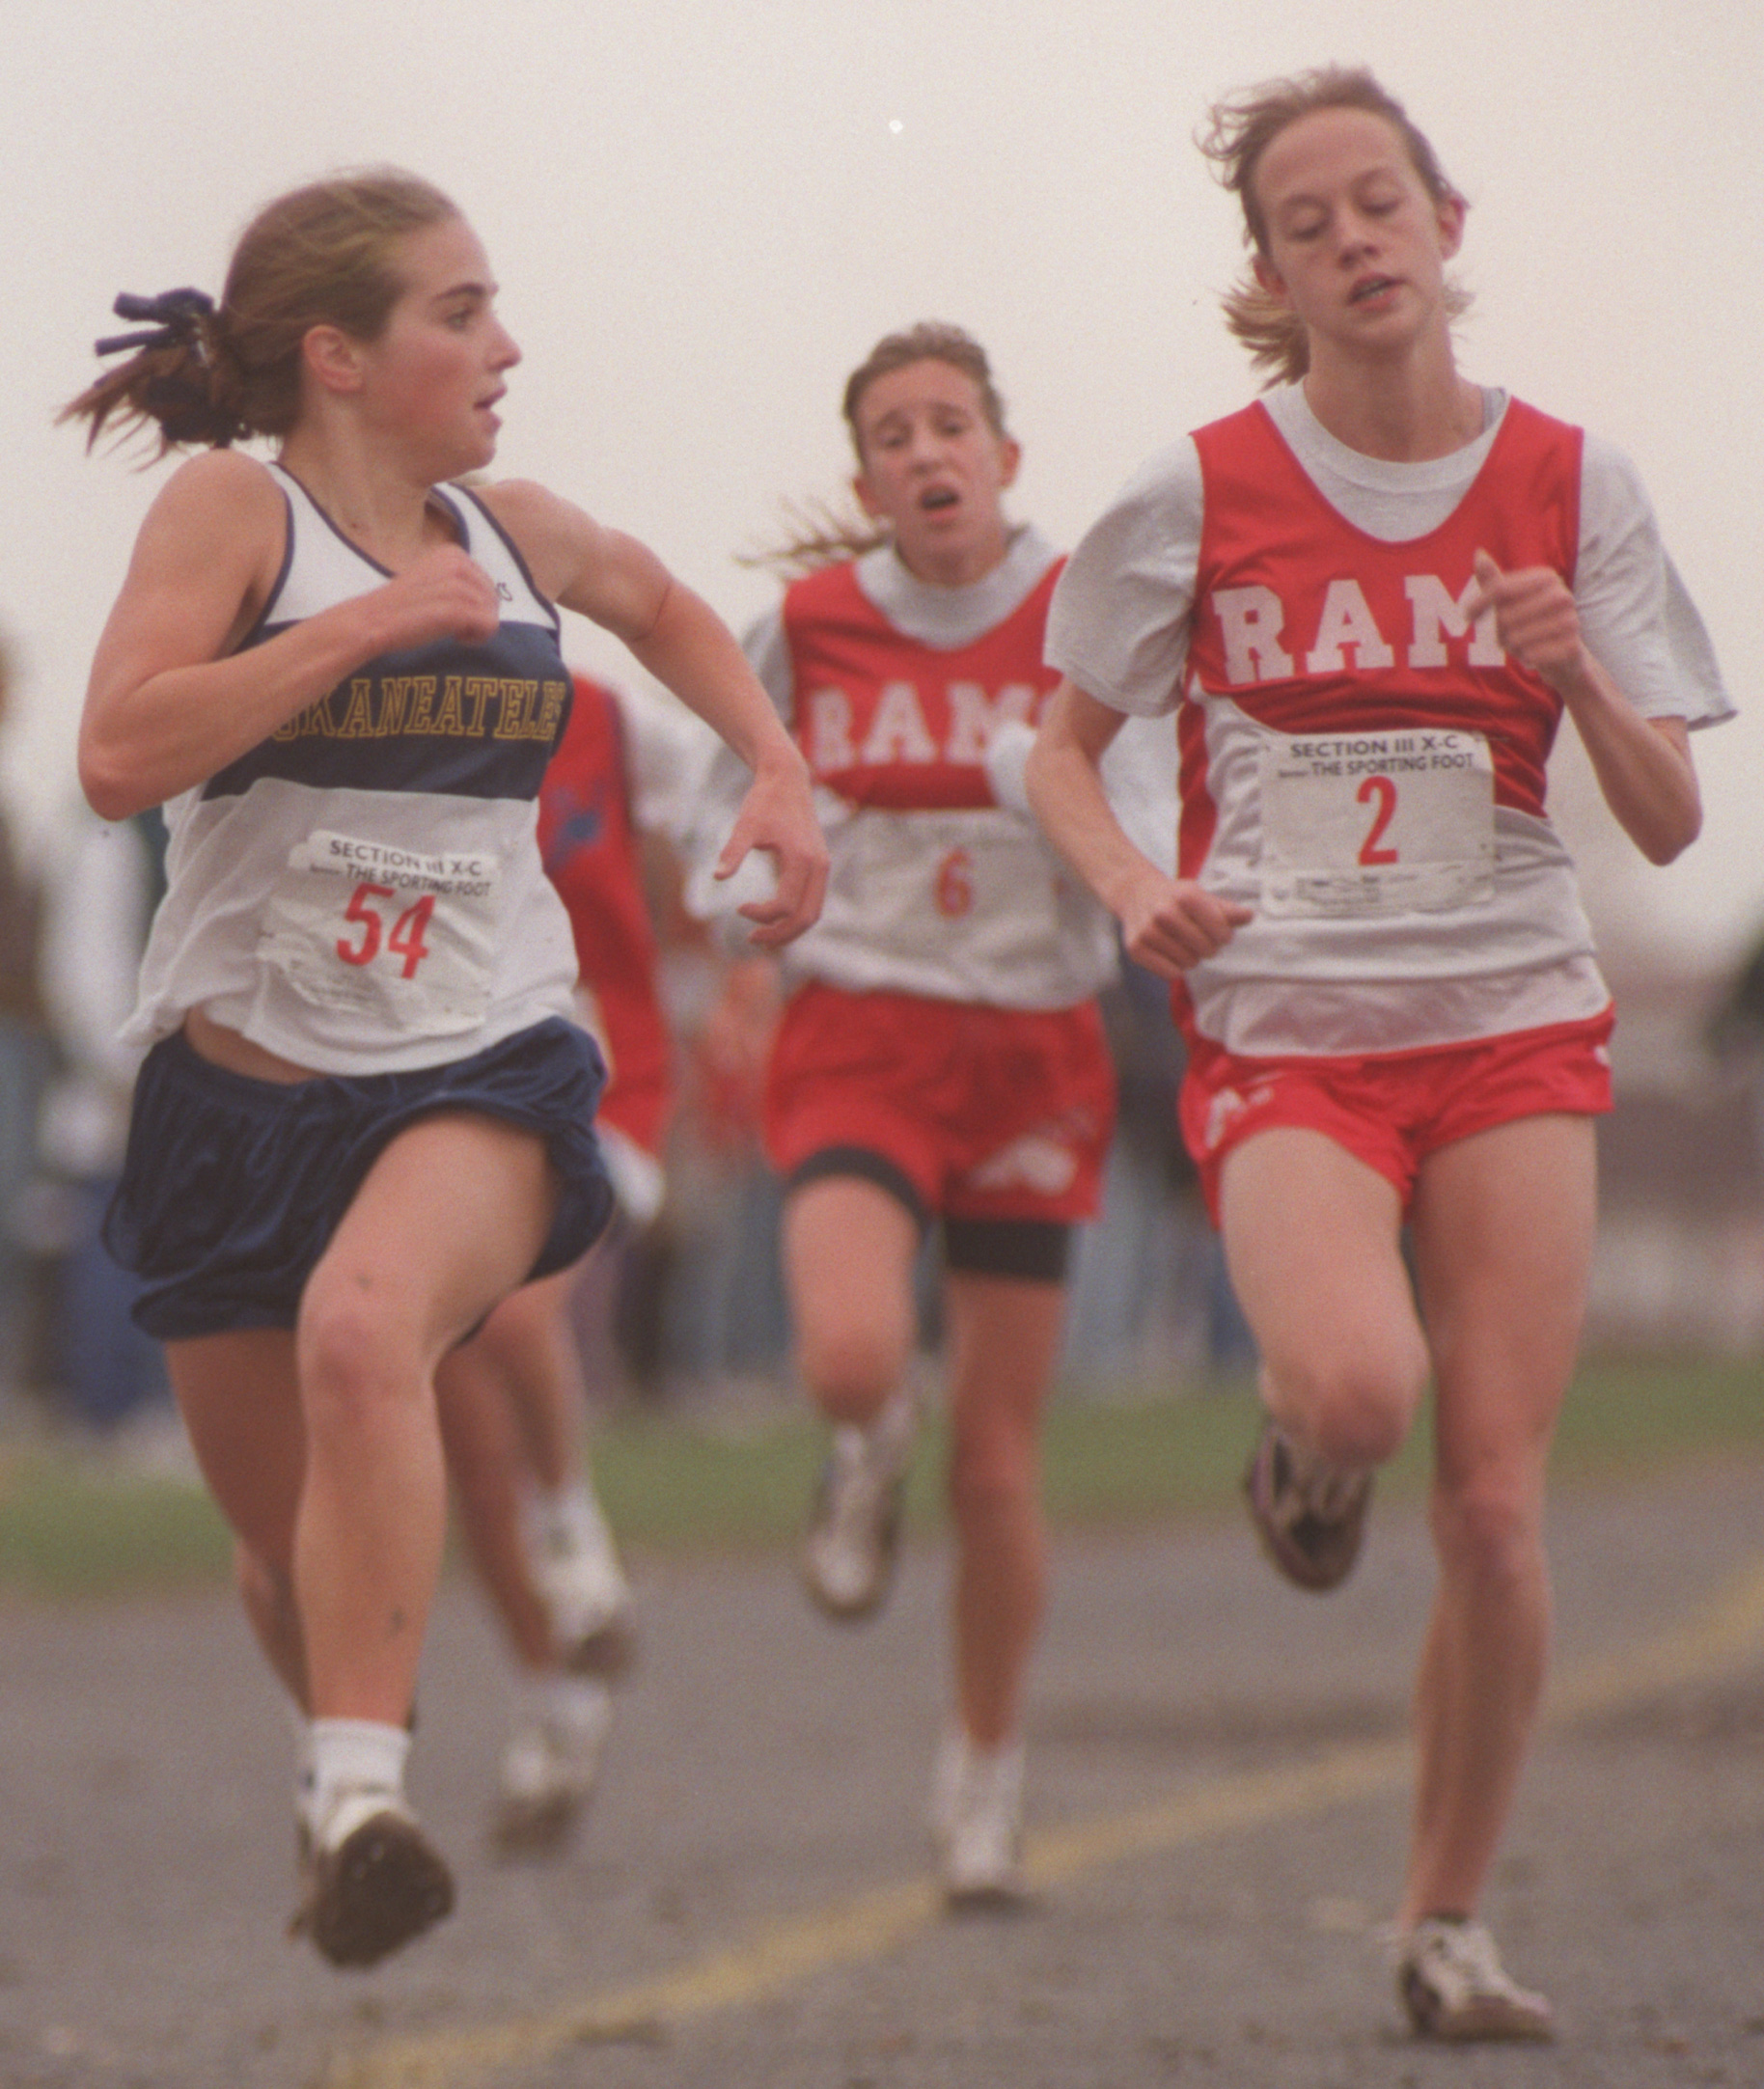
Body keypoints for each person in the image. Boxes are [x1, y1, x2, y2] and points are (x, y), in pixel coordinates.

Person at [1027, 68, 1729, 2040]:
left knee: (1493, 1505)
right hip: (1294, 1031)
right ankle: (1299, 1453)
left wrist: (1565, 664)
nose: (1352, 240)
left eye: (1377, 202)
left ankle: (1439, 1919)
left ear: (1443, 226)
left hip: (1507, 1016)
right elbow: (1055, 747)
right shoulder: (1191, 493)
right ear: (1266, 274)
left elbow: (1668, 820)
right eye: (1306, 222)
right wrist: (1123, 886)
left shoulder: (1572, 485)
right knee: (1352, 1384)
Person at [64, 170, 826, 1968]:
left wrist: (775, 772)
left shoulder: (516, 527)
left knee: (365, 1330)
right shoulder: (233, 509)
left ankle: (358, 1793)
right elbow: (112, 754)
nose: (505, 346)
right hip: (243, 1089)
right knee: (282, 1547)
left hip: (479, 1057)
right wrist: (353, 629)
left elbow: (660, 606)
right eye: (460, 311)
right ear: (338, 352)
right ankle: (349, 1783)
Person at [700, 323, 1118, 1905]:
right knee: (854, 1352)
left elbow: (1147, 823)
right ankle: (859, 1445)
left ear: (1004, 458)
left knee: (999, 1459)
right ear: (866, 480)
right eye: (892, 434)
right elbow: (718, 816)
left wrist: (1088, 844)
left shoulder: (1093, 620)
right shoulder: (804, 629)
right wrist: (748, 907)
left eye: (950, 424)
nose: (925, 452)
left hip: (1030, 1044)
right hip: (863, 1031)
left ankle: (981, 1778)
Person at [435, 671, 705, 1855]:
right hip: (431, 1085)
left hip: (595, 1072)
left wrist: (740, 967)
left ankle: (580, 1552)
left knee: (509, 1314)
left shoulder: (604, 716)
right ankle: (557, 1699)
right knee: (465, 1445)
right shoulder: (371, 694)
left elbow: (712, 850)